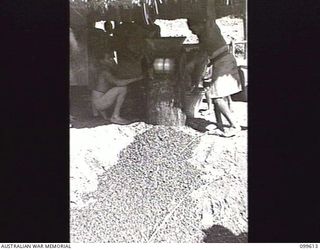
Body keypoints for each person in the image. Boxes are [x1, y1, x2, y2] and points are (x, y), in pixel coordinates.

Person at [187, 17, 242, 137]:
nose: (192, 32)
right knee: (215, 94)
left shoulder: (209, 31)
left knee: (217, 98)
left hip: (223, 62)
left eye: (192, 28)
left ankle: (234, 126)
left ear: (200, 24)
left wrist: (195, 80)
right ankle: (220, 126)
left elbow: (201, 60)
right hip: (221, 61)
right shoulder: (205, 34)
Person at [90, 51, 144, 125]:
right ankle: (115, 116)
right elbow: (119, 83)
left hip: (97, 102)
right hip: (99, 103)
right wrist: (138, 78)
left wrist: (98, 113)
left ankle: (112, 115)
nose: (112, 59)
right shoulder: (105, 72)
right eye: (108, 58)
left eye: (112, 57)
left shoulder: (101, 70)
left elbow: (96, 91)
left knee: (117, 89)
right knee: (122, 88)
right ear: (102, 61)